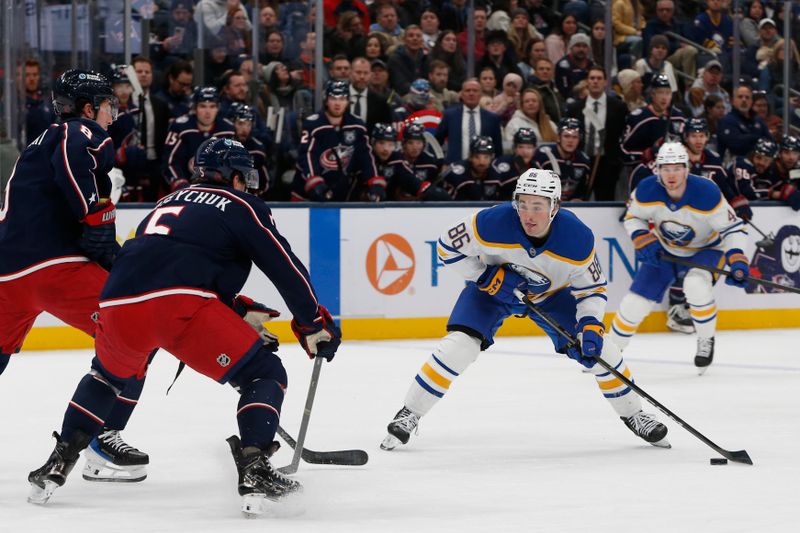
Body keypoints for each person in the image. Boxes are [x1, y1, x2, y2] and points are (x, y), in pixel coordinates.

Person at [27, 137, 342, 512]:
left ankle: (58, 461)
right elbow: (284, 266)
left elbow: (163, 264)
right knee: (263, 374)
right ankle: (255, 464)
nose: (248, 183)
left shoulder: (168, 200)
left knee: (106, 378)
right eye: (244, 176)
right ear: (233, 176)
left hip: (116, 302)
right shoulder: (242, 204)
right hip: (181, 305)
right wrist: (310, 322)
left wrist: (232, 310)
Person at [380, 168, 669, 451]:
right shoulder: (490, 221)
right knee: (458, 347)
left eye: (538, 206)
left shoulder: (577, 237)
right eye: (523, 204)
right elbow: (446, 247)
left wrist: (591, 323)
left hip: (551, 296)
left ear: (555, 206)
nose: (528, 214)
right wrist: (484, 276)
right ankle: (410, 413)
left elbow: (591, 289)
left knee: (603, 351)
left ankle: (634, 413)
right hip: (492, 292)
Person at [1, 69, 149, 484]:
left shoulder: (40, 144)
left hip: (7, 275)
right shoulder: (76, 132)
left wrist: (102, 239)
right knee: (138, 332)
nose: (111, 115)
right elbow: (83, 199)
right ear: (88, 108)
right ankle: (103, 438)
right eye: (107, 105)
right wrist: (93, 212)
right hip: (54, 268)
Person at [609, 142, 749, 374]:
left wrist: (737, 257)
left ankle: (705, 340)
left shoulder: (707, 192)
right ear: (657, 170)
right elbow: (633, 217)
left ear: (686, 169)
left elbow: (733, 229)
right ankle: (610, 351)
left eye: (676, 168)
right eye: (665, 168)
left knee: (696, 286)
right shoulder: (646, 190)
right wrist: (641, 236)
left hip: (707, 249)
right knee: (635, 303)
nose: (671, 174)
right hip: (665, 249)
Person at [292, 80, 381, 201]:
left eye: (342, 98)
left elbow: (366, 156)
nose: (337, 103)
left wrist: (373, 180)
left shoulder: (357, 125)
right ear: (326, 100)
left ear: (348, 101)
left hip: (342, 192)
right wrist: (314, 181)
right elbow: (307, 155)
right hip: (307, 193)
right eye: (333, 98)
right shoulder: (313, 124)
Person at [567, 66, 629, 200]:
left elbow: (623, 134)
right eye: (592, 78)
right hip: (581, 161)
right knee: (579, 200)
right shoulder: (575, 108)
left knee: (605, 201)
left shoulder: (618, 107)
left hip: (607, 164)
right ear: (587, 82)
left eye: (599, 78)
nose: (595, 81)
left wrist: (616, 162)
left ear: (605, 82)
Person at [162, 86, 235, 191]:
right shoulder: (180, 127)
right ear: (194, 108)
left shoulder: (227, 130)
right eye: (203, 106)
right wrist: (179, 181)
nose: (208, 112)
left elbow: (234, 163)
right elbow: (169, 162)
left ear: (218, 108)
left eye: (212, 106)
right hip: (186, 189)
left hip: (219, 188)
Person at [435, 79, 503, 164]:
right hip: (455, 167)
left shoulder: (492, 118)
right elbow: (437, 142)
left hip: (484, 169)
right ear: (462, 94)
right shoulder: (450, 115)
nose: (471, 93)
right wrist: (441, 163)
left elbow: (498, 148)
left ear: (480, 94)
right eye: (468, 91)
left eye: (475, 91)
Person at [532, 117, 591, 201]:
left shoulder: (583, 161)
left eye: (575, 137)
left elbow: (581, 190)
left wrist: (577, 199)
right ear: (558, 137)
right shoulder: (543, 156)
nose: (570, 141)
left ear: (579, 140)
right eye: (566, 136)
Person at [717, 84, 772, 160]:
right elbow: (736, 145)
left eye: (747, 97)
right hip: (733, 165)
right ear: (733, 101)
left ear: (751, 101)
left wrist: (750, 138)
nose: (744, 100)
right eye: (740, 97)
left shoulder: (758, 120)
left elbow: (770, 141)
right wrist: (758, 138)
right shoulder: (727, 121)